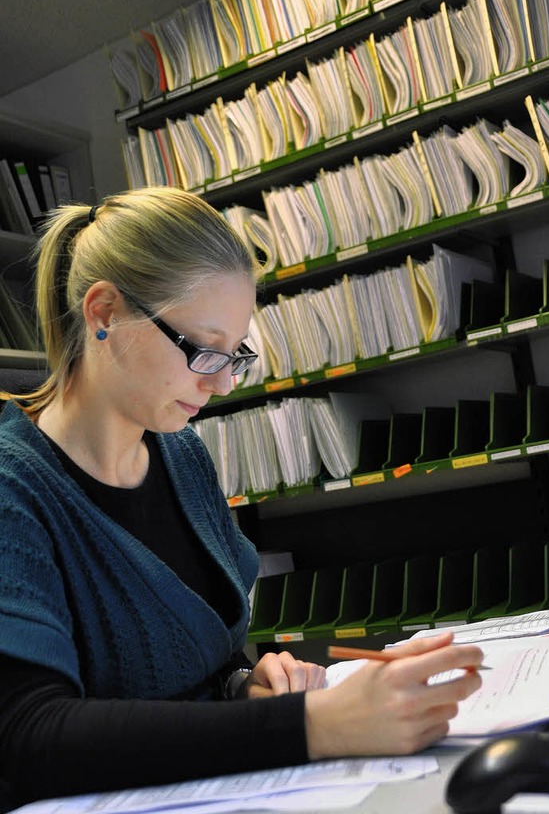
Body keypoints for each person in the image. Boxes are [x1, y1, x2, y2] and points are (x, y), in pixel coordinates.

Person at [0, 185, 484, 809]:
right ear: (103, 314)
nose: (224, 383)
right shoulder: (15, 493)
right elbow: (26, 739)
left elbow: (198, 662)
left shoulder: (181, 455)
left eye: (236, 355)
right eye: (203, 350)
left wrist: (245, 684)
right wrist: (314, 724)